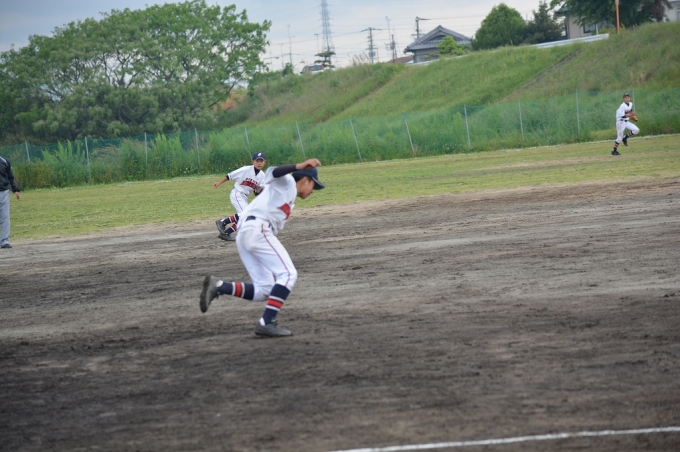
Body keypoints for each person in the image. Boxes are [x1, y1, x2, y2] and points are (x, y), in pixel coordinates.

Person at [199, 158, 324, 337]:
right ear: (305, 180)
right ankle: (267, 322)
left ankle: (219, 286)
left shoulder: (289, 196)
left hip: (247, 233)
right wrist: (299, 166)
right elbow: (275, 171)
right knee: (288, 274)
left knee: (265, 290)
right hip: (256, 229)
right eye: (313, 185)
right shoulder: (288, 182)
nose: (313, 191)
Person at [213, 152, 267, 241]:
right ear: (253, 162)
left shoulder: (262, 176)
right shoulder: (245, 169)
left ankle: (226, 233)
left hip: (244, 197)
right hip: (237, 193)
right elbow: (230, 175)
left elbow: (260, 190)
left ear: (264, 162)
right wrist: (219, 183)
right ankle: (222, 222)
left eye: (261, 161)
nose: (259, 163)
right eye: (257, 161)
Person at [0, 155, 21, 249]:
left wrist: (15, 189)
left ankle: (4, 241)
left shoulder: (4, 161)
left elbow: (10, 176)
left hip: (4, 192)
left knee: (5, 217)